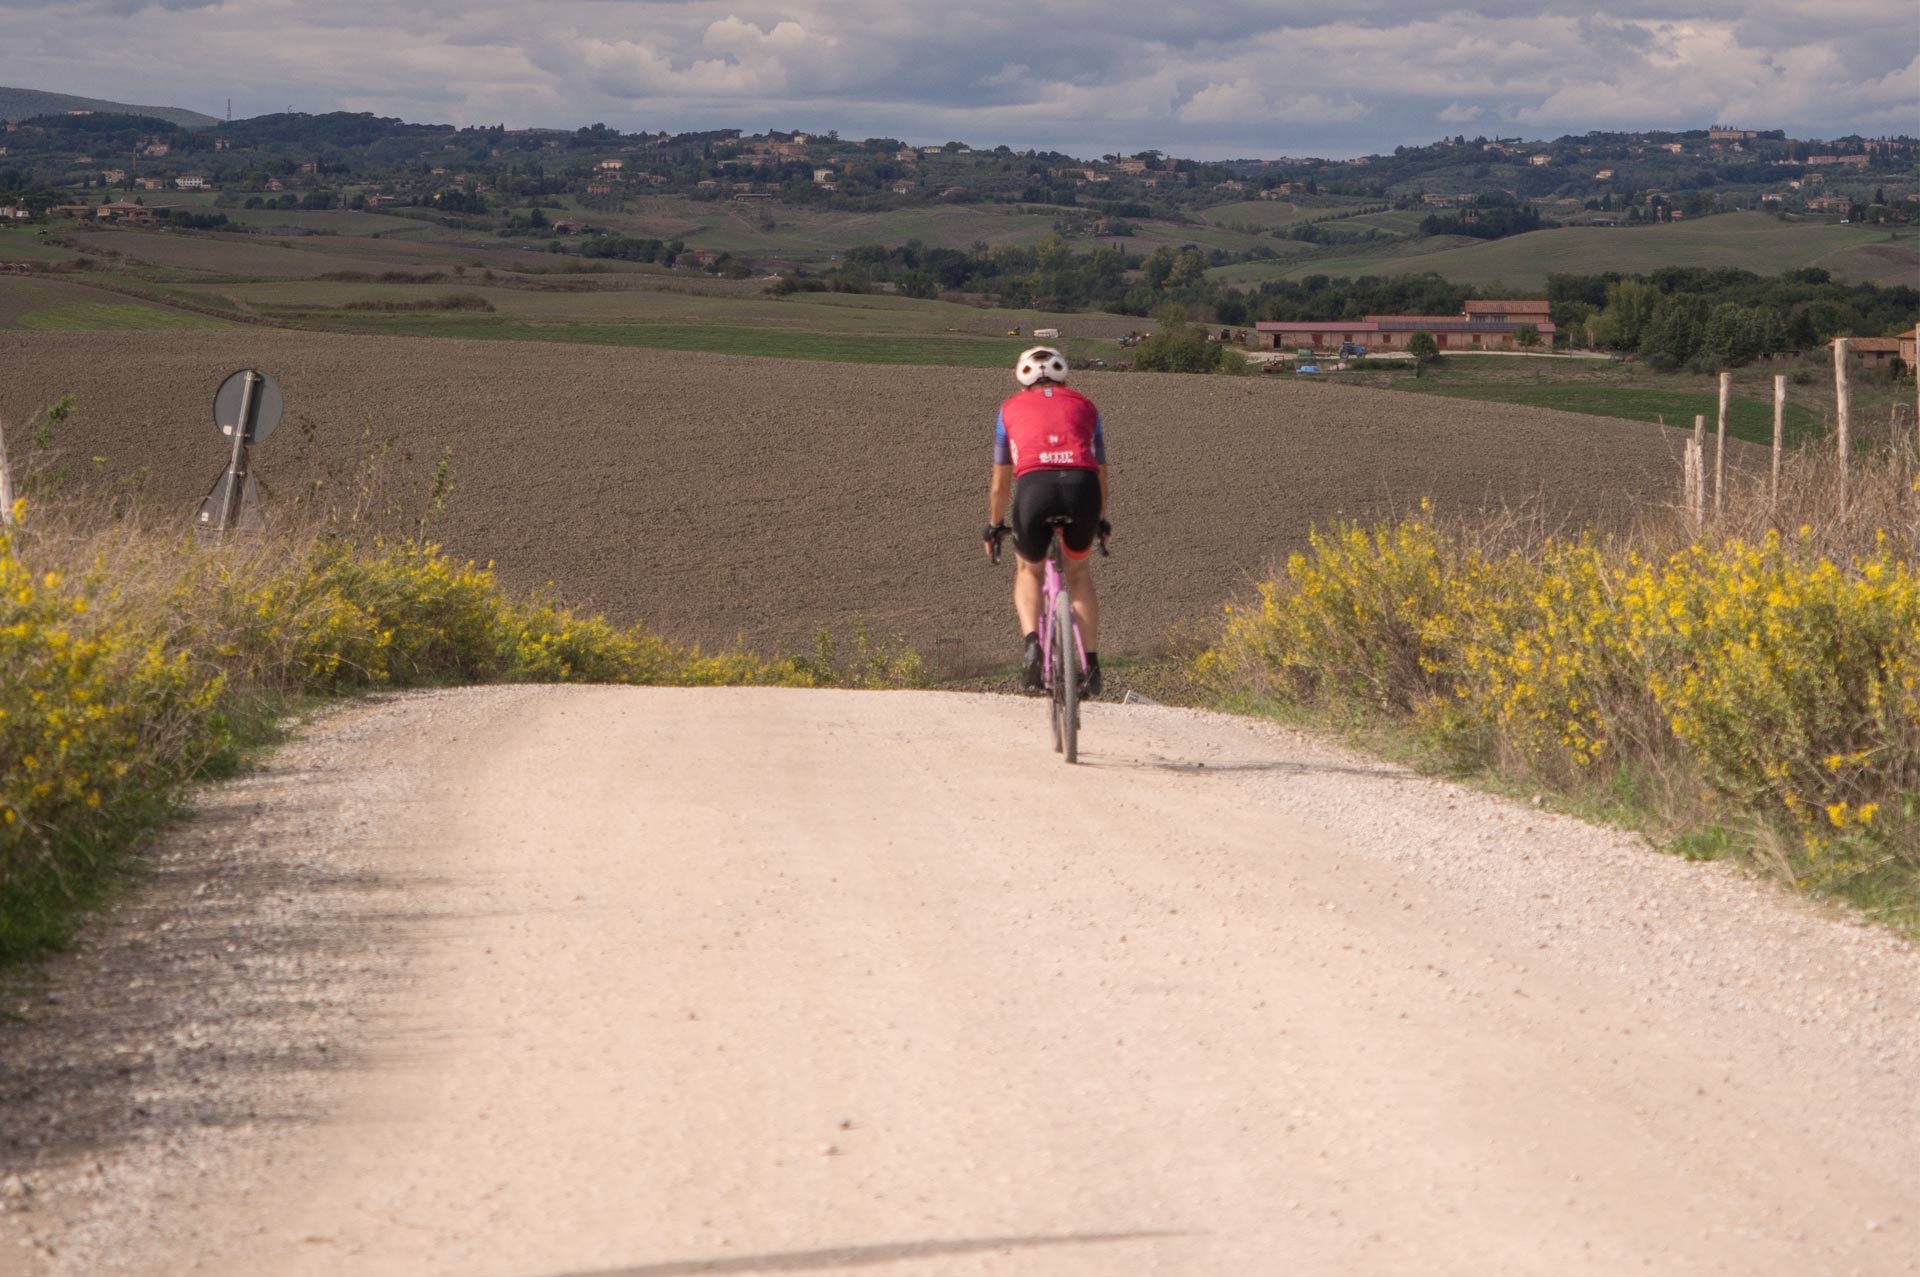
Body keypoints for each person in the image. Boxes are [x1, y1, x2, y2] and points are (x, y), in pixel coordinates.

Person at [981, 346, 1109, 696]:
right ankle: (1092, 665)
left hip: (1034, 489)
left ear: (1022, 379)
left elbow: (1000, 485)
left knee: (1028, 571)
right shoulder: (1086, 407)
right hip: (1083, 488)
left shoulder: (1008, 410)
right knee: (1079, 573)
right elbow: (1101, 474)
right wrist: (1100, 521)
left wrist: (994, 526)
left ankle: (1033, 646)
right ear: (1063, 374)